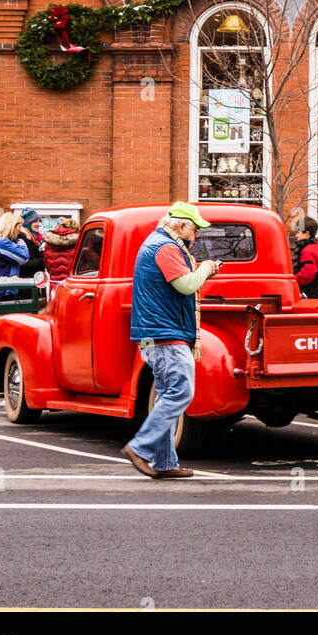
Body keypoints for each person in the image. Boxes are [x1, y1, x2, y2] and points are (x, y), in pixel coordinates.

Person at [122, 201, 220, 480]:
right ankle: (140, 447)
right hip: (166, 334)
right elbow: (187, 284)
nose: (197, 236)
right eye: (195, 230)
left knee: (167, 395)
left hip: (156, 334)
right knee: (181, 392)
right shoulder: (166, 248)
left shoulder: (157, 243)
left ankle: (165, 462)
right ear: (181, 225)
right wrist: (207, 268)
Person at [0, 211, 30, 301]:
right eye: (19, 227)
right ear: (11, 226)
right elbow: (24, 257)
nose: (20, 230)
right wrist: (21, 238)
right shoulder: (2, 242)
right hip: (2, 292)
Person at [291, 215, 318, 298]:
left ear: (307, 233)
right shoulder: (317, 248)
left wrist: (292, 280)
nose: (296, 235)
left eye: (298, 232)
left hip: (311, 295)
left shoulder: (307, 251)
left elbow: (307, 275)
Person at [42, 217, 79, 287]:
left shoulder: (49, 245)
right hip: (73, 285)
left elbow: (47, 267)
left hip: (55, 284)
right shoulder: (79, 244)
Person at [16, 207, 46, 278]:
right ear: (27, 223)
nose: (38, 224)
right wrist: (42, 260)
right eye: (35, 221)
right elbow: (23, 264)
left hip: (34, 279)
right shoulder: (21, 237)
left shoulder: (35, 238)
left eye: (39, 221)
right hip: (25, 282)